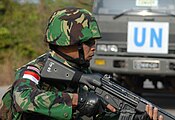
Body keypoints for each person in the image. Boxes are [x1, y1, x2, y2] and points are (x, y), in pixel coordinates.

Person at [0, 7, 163, 120]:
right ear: (68, 42)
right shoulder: (37, 68)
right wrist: (79, 100)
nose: (94, 47)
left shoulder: (83, 72)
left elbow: (95, 114)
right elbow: (23, 99)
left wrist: (133, 115)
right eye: (88, 42)